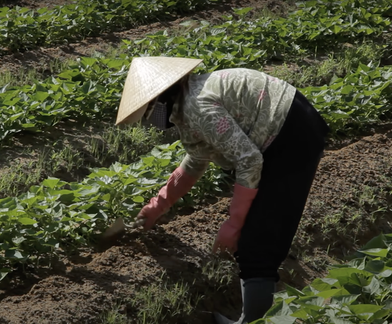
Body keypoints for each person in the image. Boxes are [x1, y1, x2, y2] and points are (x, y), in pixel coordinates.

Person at [114, 56, 330, 323]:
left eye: (150, 112)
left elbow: (249, 160)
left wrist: (233, 224)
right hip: (286, 126)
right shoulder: (188, 100)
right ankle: (254, 316)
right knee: (257, 231)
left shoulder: (197, 106)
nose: (152, 121)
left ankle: (252, 321)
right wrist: (158, 205)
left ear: (161, 99)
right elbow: (196, 160)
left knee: (257, 243)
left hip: (292, 136)